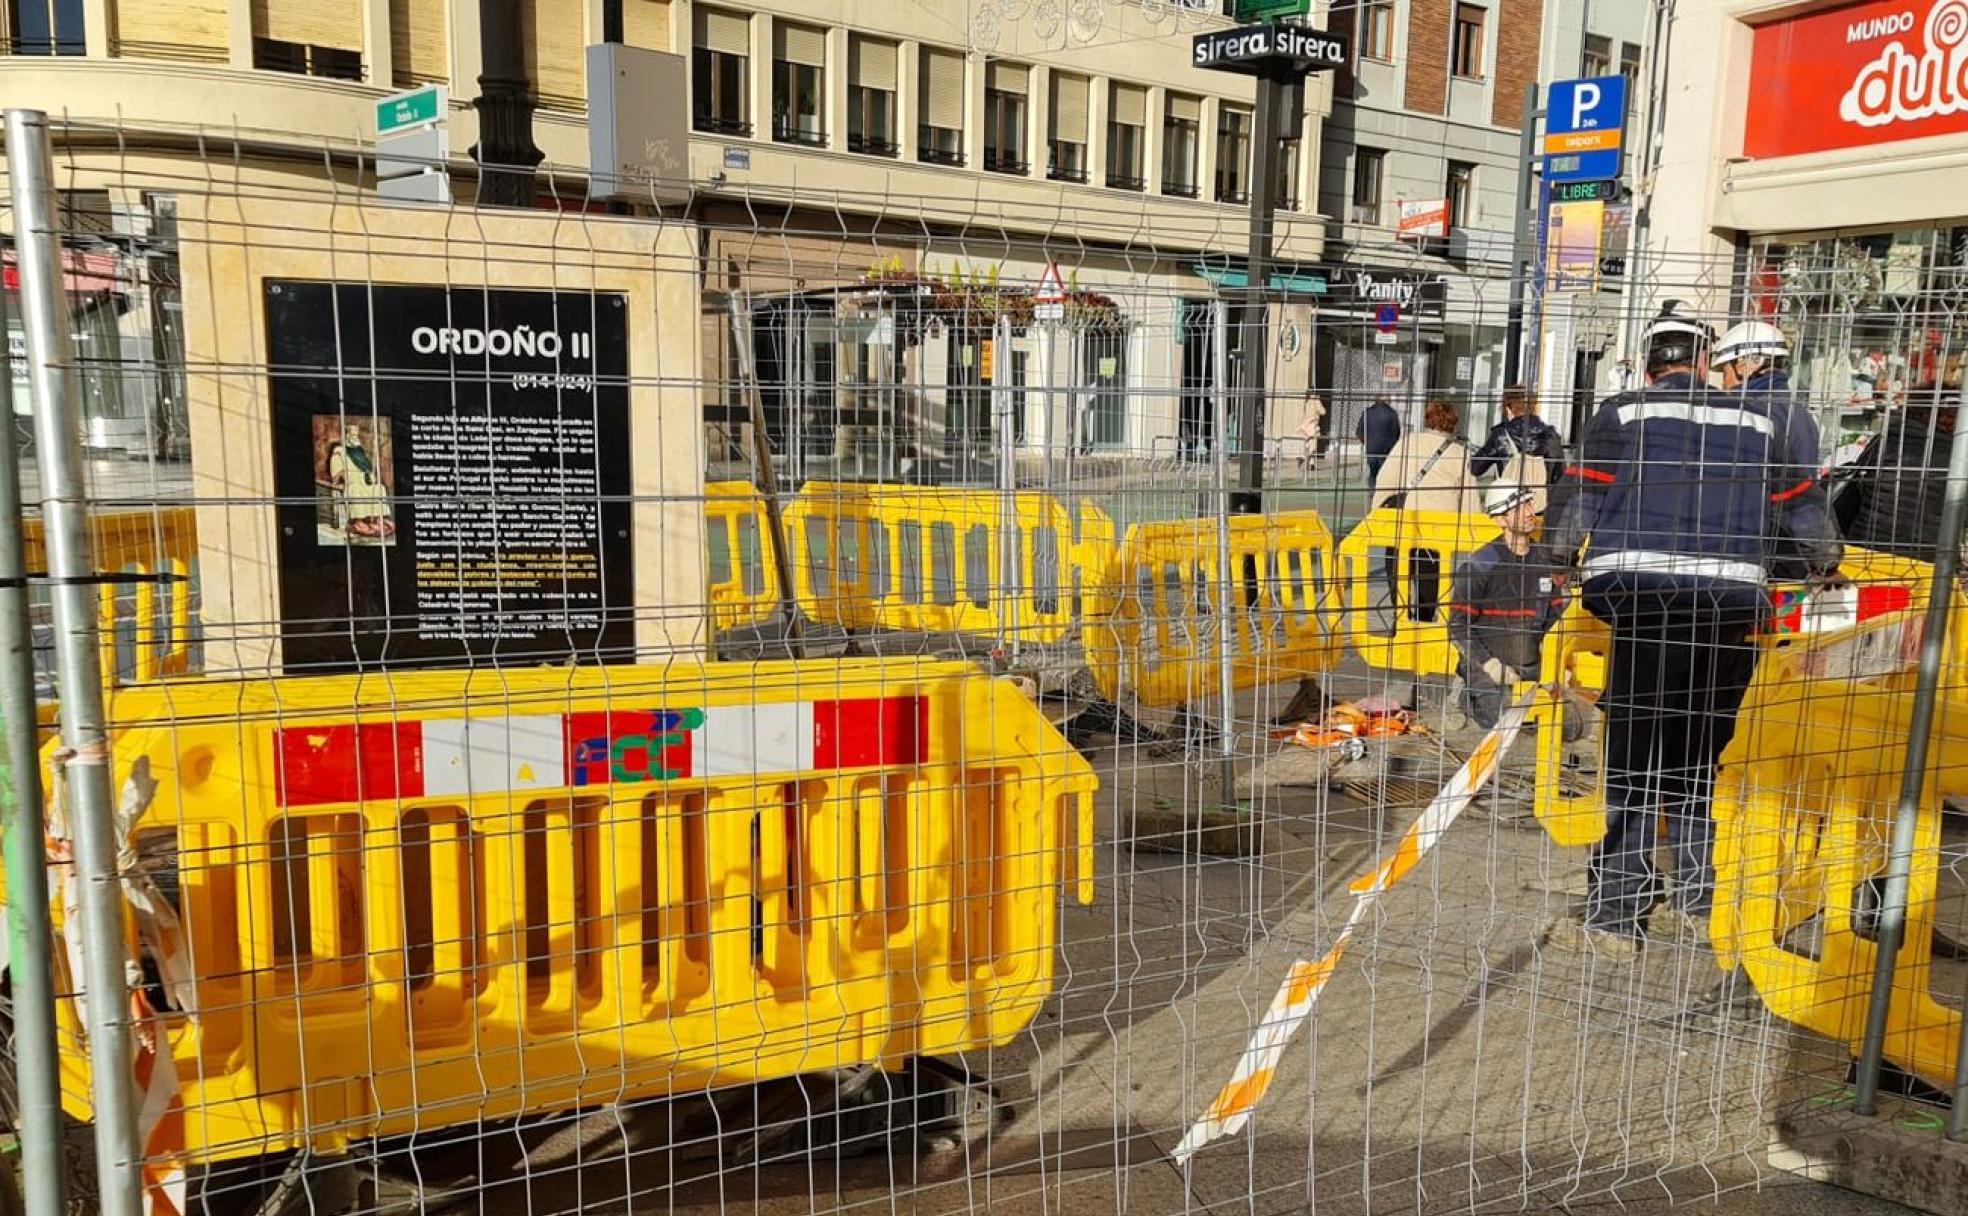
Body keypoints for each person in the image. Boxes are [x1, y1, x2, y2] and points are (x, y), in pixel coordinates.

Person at [1541, 300, 1843, 960]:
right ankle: (1700, 896)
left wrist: (1554, 566)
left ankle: (1617, 909)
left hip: (1643, 603)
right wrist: (1824, 564)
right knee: (1702, 757)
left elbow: (1577, 502)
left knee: (1634, 759)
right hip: (1730, 606)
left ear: (1649, 366)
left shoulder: (1622, 413)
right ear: (1705, 364)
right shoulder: (1756, 423)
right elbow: (1804, 512)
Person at [1448, 481, 1567, 731]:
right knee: (1504, 721)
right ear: (1500, 519)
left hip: (1531, 665)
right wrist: (1490, 665)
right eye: (1519, 507)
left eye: (1529, 503)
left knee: (1566, 726)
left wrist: (1558, 665)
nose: (1529, 512)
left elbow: (1556, 618)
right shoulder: (1480, 565)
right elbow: (1458, 627)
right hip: (1490, 666)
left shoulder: (1544, 561)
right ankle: (1466, 694)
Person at [1371, 399, 1479, 515]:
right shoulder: (1460, 453)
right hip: (1445, 516)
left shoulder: (1407, 443)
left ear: (1427, 419)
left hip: (1410, 513)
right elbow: (1469, 497)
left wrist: (1377, 510)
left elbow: (1387, 479)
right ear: (1453, 423)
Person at [1471, 385, 1563, 488]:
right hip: (1541, 499)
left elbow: (1475, 468)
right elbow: (1559, 475)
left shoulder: (1501, 435)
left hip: (1509, 498)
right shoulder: (1551, 435)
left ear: (1509, 409)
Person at [1356, 397, 1402, 485]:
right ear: (1388, 401)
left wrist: (1367, 442)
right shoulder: (1392, 413)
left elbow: (1360, 432)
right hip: (1386, 449)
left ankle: (1372, 492)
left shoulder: (1367, 413)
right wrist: (1392, 444)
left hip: (1371, 448)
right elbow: (1396, 432)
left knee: (1373, 473)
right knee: (1384, 473)